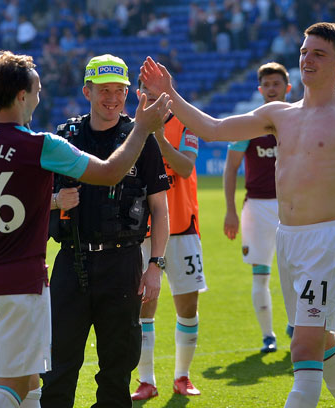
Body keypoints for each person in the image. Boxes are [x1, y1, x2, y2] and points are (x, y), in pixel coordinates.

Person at [140, 22, 335, 407]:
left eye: (318, 53)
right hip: (288, 240)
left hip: (325, 241)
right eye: (304, 51)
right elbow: (214, 128)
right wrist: (169, 92)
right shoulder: (279, 114)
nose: (307, 59)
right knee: (319, 344)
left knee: (302, 349)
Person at [0, 50, 171, 408]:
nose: (39, 97)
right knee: (12, 385)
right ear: (21, 95)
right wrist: (144, 128)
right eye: (36, 90)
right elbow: (110, 172)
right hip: (23, 284)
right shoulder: (41, 145)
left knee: (31, 383)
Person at [40, 54, 170, 408]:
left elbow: (159, 209)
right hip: (72, 261)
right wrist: (56, 201)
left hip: (123, 263)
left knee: (117, 370)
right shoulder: (64, 137)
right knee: (57, 368)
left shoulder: (140, 137)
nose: (112, 98)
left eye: (119, 90)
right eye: (104, 90)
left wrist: (155, 265)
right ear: (87, 91)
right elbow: (36, 200)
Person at [132, 77, 205, 401]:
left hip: (182, 227)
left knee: (187, 306)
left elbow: (186, 167)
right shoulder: (130, 128)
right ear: (140, 95)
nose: (154, 99)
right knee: (143, 306)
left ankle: (182, 376)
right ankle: (146, 380)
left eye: (159, 93)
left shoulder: (185, 125)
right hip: (140, 231)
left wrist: (160, 139)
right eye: (147, 93)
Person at [222, 62, 290, 354]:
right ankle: (268, 335)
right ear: (260, 90)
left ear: (288, 88)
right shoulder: (248, 124)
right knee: (261, 274)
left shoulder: (298, 120)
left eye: (277, 84)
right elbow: (231, 168)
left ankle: (298, 323)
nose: (272, 89)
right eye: (267, 84)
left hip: (293, 206)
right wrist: (230, 210)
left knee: (298, 271)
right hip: (258, 208)